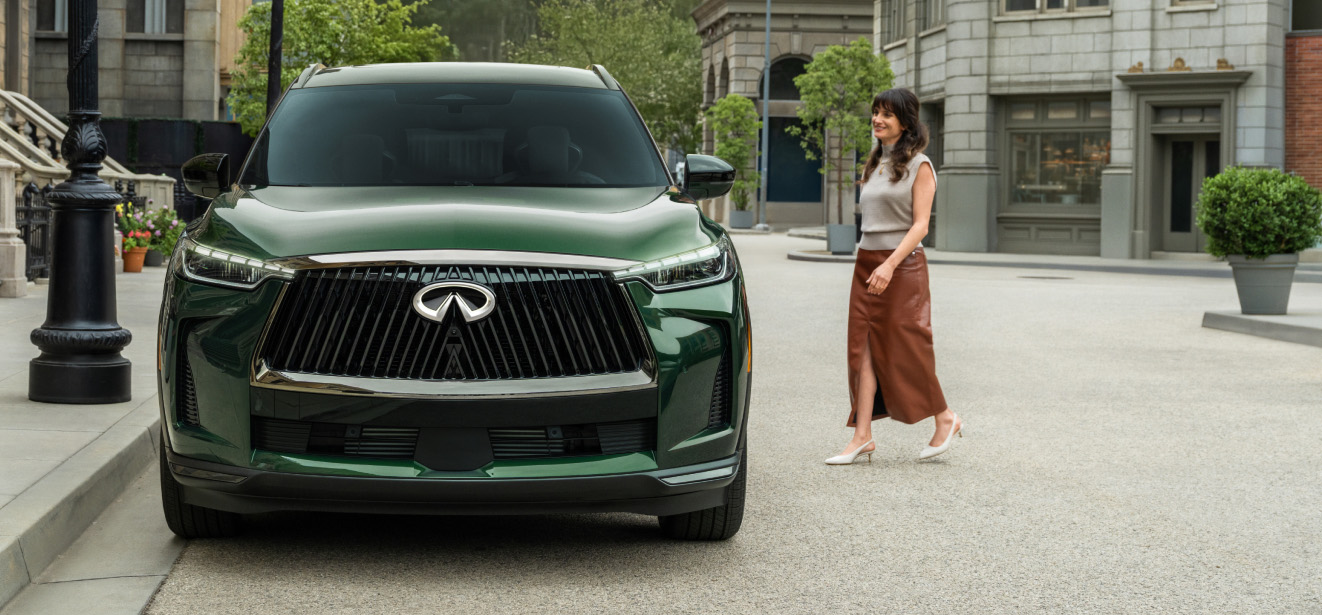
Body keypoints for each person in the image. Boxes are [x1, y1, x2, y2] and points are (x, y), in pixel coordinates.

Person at [825, 88, 961, 465]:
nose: (877, 119)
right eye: (875, 112)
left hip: (902, 265)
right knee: (862, 348)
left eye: (886, 114)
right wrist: (872, 262)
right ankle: (862, 436)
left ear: (905, 122)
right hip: (867, 261)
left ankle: (945, 417)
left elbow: (920, 226)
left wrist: (889, 265)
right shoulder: (874, 164)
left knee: (908, 347)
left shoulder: (921, 165)